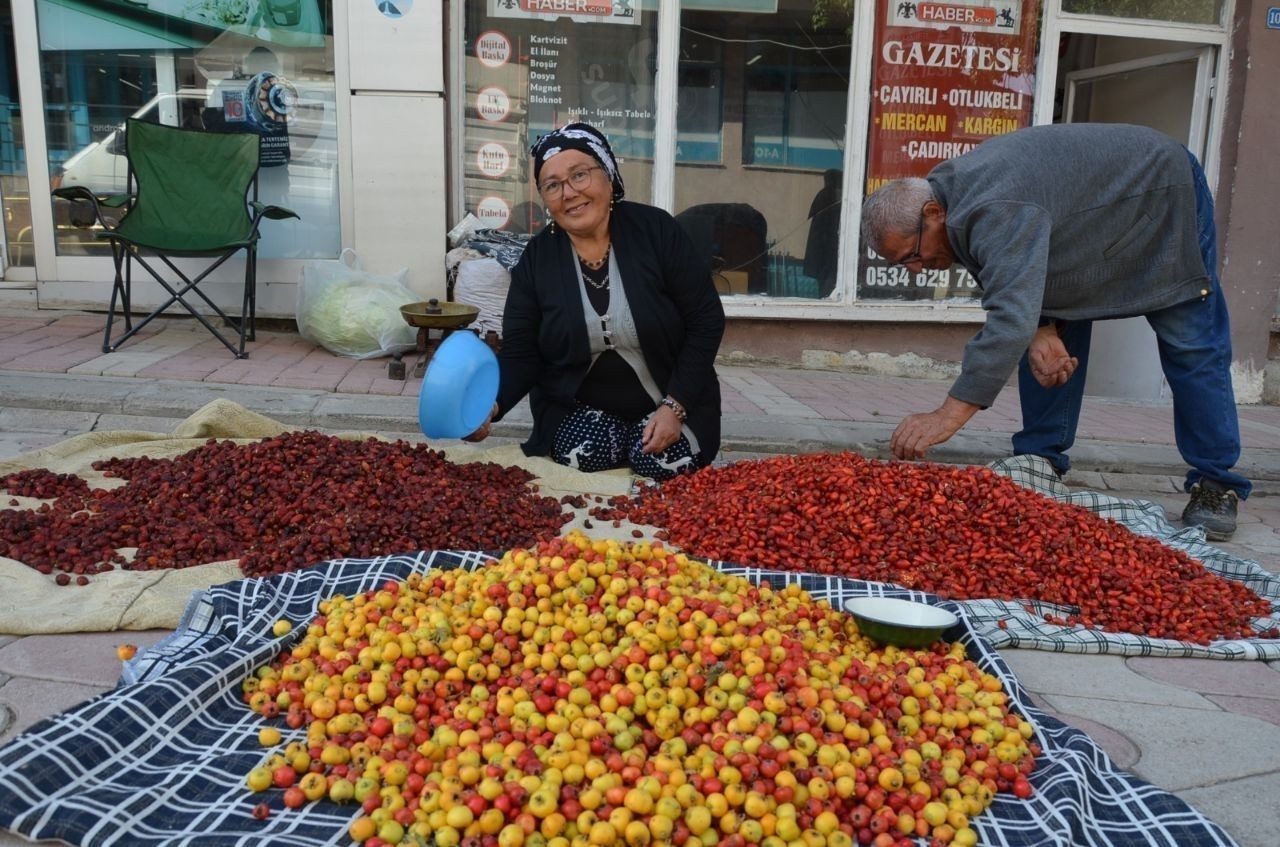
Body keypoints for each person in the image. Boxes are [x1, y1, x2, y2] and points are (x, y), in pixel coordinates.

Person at [861, 123, 1249, 540]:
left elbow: (1010, 319)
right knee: (1043, 340)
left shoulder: (993, 206)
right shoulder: (949, 198)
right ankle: (1040, 458)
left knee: (1190, 341)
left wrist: (948, 415)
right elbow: (1009, 284)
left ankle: (1217, 482)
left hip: (1159, 194)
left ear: (932, 214)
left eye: (912, 255)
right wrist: (1042, 328)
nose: (916, 268)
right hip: (1082, 223)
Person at [465, 122, 725, 480]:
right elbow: (522, 354)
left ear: (608, 175)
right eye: (552, 185)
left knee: (662, 461)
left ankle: (650, 432)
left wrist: (675, 407)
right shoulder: (538, 261)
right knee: (580, 454)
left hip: (671, 402)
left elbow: (706, 320)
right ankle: (618, 442)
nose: (569, 193)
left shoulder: (656, 232)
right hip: (583, 413)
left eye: (580, 175)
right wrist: (490, 405)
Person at [804, 169, 842, 298]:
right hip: (826, 250)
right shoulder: (830, 195)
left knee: (826, 283)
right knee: (828, 282)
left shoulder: (824, 195)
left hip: (823, 250)